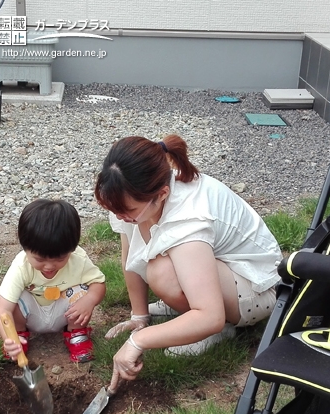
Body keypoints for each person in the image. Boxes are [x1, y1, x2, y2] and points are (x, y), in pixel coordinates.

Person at [94, 135, 282, 387]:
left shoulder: (188, 217)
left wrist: (138, 341)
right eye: (114, 209)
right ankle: (189, 306)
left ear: (161, 194)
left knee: (162, 272)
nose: (120, 216)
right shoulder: (129, 199)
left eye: (127, 211)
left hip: (256, 288)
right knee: (159, 266)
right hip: (222, 273)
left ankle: (219, 330)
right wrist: (139, 316)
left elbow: (210, 316)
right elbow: (130, 259)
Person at [0, 199, 106, 363]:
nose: (49, 266)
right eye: (39, 259)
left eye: (60, 259)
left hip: (63, 311)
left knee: (83, 291)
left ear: (72, 248)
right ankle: (18, 336)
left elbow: (99, 283)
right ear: (25, 248)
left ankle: (76, 333)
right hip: (31, 314)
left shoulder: (79, 260)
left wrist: (89, 300)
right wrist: (8, 338)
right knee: (15, 300)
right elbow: (3, 310)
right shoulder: (21, 266)